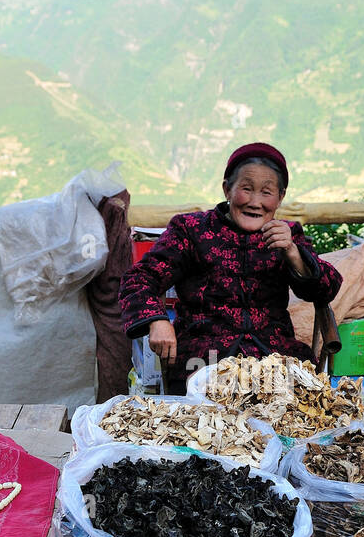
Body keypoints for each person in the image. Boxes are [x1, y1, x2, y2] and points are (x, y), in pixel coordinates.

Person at [119, 142, 343, 393]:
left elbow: (327, 289)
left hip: (274, 359)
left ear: (280, 197)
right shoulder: (191, 230)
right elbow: (139, 279)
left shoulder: (286, 235)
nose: (255, 202)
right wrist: (157, 320)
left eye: (266, 192)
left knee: (301, 409)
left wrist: (293, 253)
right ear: (227, 189)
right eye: (246, 189)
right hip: (204, 360)